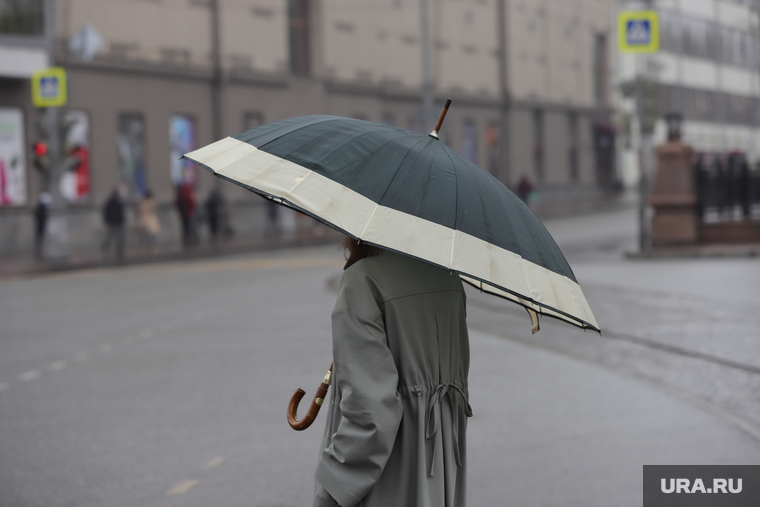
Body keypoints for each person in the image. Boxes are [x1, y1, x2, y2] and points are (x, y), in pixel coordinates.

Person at [314, 237, 471, 507]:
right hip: (442, 462)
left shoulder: (363, 280)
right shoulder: (449, 278)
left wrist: (332, 486)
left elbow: (372, 410)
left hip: (391, 471)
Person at [101, 187, 126, 260]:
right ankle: (117, 249)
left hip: (112, 222)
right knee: (117, 236)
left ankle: (107, 246)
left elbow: (106, 213)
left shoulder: (110, 202)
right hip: (116, 222)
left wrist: (107, 220)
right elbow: (120, 214)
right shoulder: (117, 202)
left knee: (111, 236)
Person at [137, 189, 161, 254]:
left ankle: (148, 247)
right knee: (151, 234)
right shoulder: (152, 201)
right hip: (150, 219)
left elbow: (140, 210)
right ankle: (151, 247)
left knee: (147, 234)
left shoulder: (143, 202)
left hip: (145, 219)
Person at [175, 182, 196, 247]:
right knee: (188, 226)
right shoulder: (187, 192)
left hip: (183, 212)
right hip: (188, 212)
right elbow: (191, 202)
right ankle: (189, 239)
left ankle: (186, 239)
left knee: (185, 226)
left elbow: (176, 202)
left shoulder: (180, 193)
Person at [34, 192, 51, 259]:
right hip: (41, 227)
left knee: (41, 240)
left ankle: (41, 253)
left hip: (41, 227)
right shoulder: (41, 208)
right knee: (41, 240)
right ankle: (40, 254)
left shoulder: (41, 207)